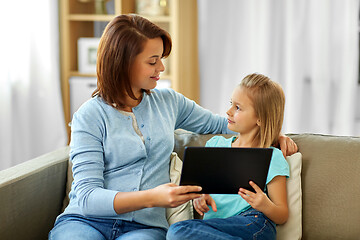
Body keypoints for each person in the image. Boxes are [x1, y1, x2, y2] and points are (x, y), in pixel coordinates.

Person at [49, 14, 297, 240]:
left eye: (161, 59)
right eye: (153, 61)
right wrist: (152, 197)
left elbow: (226, 123)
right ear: (123, 64)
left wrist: (273, 132)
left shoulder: (169, 102)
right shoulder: (89, 116)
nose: (161, 68)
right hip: (86, 221)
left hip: (144, 228)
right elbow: (86, 196)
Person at [167, 73, 290, 240]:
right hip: (216, 226)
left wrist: (265, 204)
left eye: (238, 108)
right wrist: (200, 199)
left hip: (253, 222)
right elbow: (203, 191)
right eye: (231, 104)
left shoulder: (271, 156)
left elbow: (282, 214)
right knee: (177, 231)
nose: (228, 111)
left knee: (177, 232)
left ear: (260, 118)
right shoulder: (215, 145)